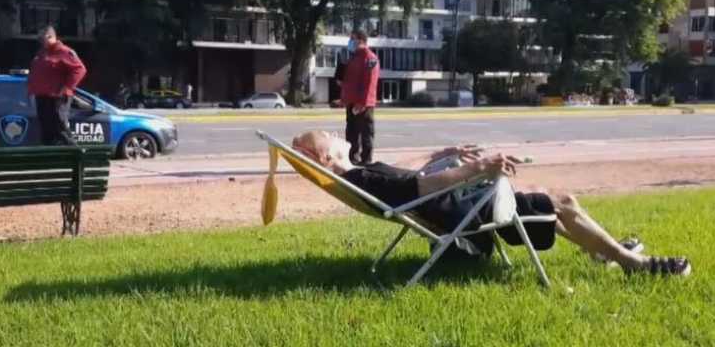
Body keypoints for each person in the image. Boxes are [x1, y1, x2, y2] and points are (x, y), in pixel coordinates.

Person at [291, 130, 692, 276]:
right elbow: (419, 190)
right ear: (325, 157)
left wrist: (439, 152)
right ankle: (635, 265)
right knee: (560, 201)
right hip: (466, 212)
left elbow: (406, 177)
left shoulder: (362, 175)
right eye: (326, 134)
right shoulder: (359, 178)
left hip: (458, 205)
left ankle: (607, 252)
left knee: (546, 208)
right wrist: (480, 168)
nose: (334, 132)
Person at [28, 26, 87, 146]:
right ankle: (50, 158)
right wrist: (32, 90)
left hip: (57, 97)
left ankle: (75, 154)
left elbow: (80, 69)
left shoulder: (64, 51)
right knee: (46, 130)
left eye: (42, 38)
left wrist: (67, 87)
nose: (40, 41)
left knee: (60, 128)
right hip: (42, 97)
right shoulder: (41, 53)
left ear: (51, 37)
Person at [341, 29, 380, 164]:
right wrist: (344, 99)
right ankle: (352, 159)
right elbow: (349, 81)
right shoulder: (354, 58)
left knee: (366, 134)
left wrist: (363, 102)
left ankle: (366, 161)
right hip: (351, 103)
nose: (350, 42)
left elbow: (370, 82)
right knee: (351, 133)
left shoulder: (370, 58)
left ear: (361, 40)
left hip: (364, 105)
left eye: (353, 39)